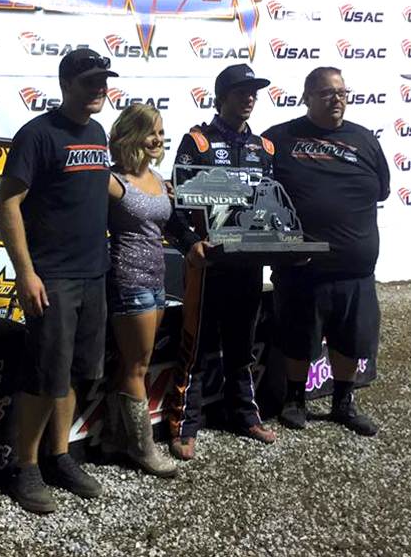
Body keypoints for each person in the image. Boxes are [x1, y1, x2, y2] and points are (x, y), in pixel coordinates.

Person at [0, 48, 117, 514]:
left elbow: (99, 188)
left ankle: (59, 457)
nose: (99, 88)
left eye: (103, 80)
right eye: (89, 81)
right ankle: (25, 468)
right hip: (53, 276)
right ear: (65, 83)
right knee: (45, 375)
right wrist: (26, 273)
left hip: (93, 272)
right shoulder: (37, 134)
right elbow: (7, 203)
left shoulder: (98, 133)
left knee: (73, 373)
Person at [262, 66, 390, 437]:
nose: (336, 99)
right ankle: (294, 400)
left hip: (356, 267)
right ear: (306, 97)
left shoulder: (365, 140)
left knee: (351, 338)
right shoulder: (279, 139)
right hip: (302, 268)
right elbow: (258, 196)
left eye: (341, 92)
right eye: (326, 92)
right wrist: (280, 244)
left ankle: (343, 402)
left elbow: (382, 189)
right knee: (298, 336)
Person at [165, 64, 277, 461]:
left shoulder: (264, 148)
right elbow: (174, 209)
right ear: (220, 98)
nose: (249, 98)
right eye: (240, 92)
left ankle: (244, 415)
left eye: (253, 92)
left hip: (248, 265)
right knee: (195, 348)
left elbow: (272, 206)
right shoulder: (196, 143)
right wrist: (190, 245)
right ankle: (184, 425)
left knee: (242, 346)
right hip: (208, 266)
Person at [102, 103, 178, 478]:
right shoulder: (112, 180)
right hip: (128, 279)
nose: (158, 139)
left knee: (132, 362)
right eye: (150, 132)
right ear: (131, 135)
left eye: (161, 132)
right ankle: (144, 448)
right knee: (137, 365)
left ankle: (113, 439)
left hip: (156, 278)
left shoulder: (159, 178)